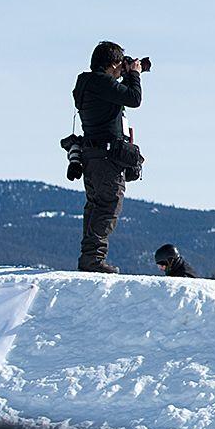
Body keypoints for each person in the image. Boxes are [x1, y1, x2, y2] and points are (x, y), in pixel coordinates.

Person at [72, 41, 145, 273]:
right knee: (108, 206)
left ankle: (90, 256)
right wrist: (134, 74)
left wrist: (124, 75)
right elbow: (134, 99)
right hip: (106, 158)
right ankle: (93, 259)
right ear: (112, 64)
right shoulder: (101, 83)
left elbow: (113, 96)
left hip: (92, 156)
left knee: (95, 206)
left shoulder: (87, 85)